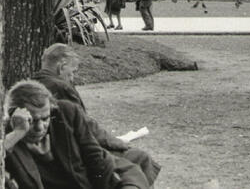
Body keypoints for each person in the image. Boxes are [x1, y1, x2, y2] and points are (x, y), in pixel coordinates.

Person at [33, 43, 160, 188]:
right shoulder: (61, 87)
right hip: (72, 156)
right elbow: (87, 128)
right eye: (72, 72)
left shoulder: (34, 84)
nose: (73, 78)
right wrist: (118, 142)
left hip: (57, 154)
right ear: (62, 66)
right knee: (140, 157)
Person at [5, 79, 149, 189]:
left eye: (45, 118)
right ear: (15, 116)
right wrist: (18, 133)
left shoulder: (66, 113)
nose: (40, 127)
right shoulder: (8, 137)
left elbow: (94, 156)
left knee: (134, 175)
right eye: (32, 120)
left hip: (85, 184)